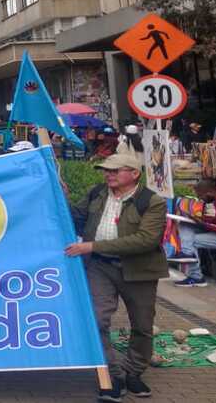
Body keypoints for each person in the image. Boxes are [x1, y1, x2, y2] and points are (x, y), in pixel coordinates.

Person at [66, 152, 165, 401]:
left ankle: (134, 372)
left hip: (138, 269)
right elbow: (74, 218)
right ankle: (113, 374)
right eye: (106, 170)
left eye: (115, 170)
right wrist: (61, 196)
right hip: (100, 267)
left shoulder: (152, 202)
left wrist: (92, 246)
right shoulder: (96, 193)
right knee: (96, 320)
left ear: (134, 174)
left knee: (142, 325)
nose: (108, 174)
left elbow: (146, 239)